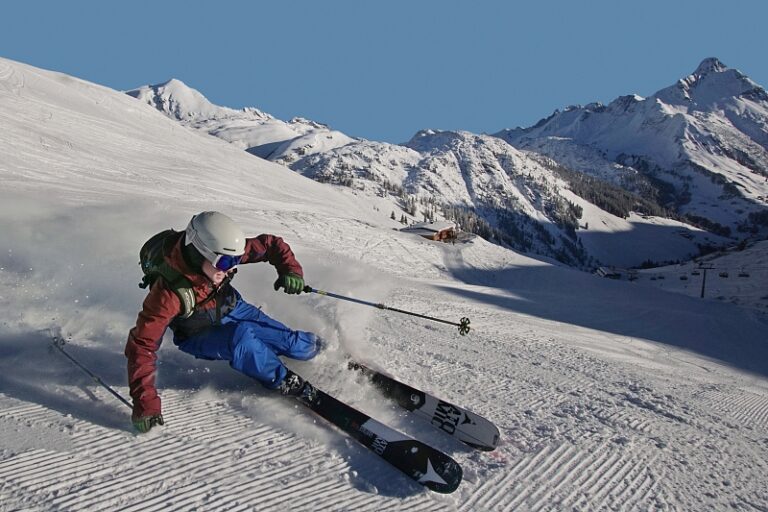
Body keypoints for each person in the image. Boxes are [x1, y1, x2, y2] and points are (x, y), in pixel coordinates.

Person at [125, 211, 320, 433]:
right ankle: (283, 380)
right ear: (199, 253)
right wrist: (145, 403)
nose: (231, 268)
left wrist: (290, 270)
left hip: (232, 306)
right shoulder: (167, 295)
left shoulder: (221, 253)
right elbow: (142, 345)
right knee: (242, 339)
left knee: (291, 343)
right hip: (197, 333)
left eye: (236, 260)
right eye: (226, 262)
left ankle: (317, 349)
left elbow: (270, 245)